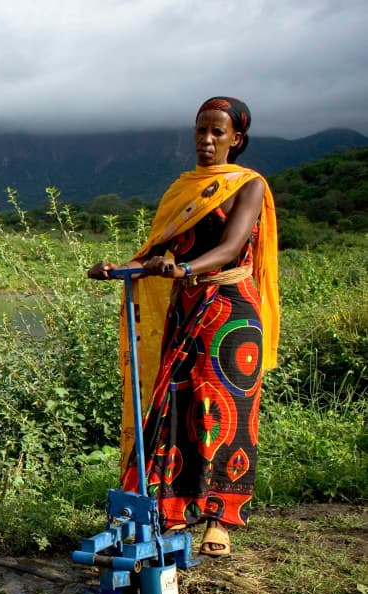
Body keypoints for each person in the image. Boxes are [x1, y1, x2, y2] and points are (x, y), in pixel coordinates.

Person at [87, 97, 279, 557]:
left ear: (237, 139)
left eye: (217, 133)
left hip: (230, 311)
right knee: (177, 408)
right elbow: (163, 247)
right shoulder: (185, 189)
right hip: (186, 308)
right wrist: (122, 267)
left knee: (224, 413)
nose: (207, 141)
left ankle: (220, 520)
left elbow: (230, 248)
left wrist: (185, 269)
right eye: (200, 131)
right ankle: (174, 512)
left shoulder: (246, 185)